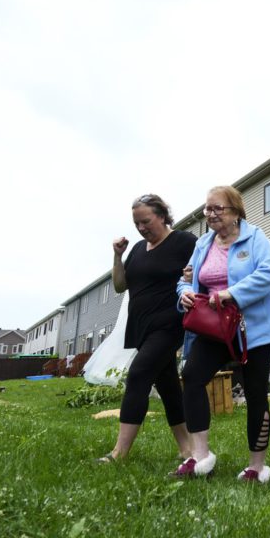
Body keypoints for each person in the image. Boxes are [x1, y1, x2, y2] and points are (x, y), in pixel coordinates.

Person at [175, 186, 270, 481]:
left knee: (256, 392)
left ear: (235, 212)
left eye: (217, 208)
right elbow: (186, 278)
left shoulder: (255, 238)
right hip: (213, 328)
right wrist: (184, 293)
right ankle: (200, 455)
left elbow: (269, 273)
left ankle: (257, 467)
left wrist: (230, 294)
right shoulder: (203, 244)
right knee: (193, 375)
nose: (210, 214)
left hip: (253, 331)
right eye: (207, 209)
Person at [97, 194, 196, 464]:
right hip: (141, 326)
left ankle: (119, 453)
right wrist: (117, 257)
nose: (141, 228)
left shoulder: (184, 241)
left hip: (169, 323)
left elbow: (202, 272)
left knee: (139, 373)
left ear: (162, 216)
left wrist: (191, 284)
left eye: (146, 221)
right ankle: (187, 450)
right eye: (136, 223)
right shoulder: (138, 249)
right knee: (168, 386)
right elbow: (120, 286)